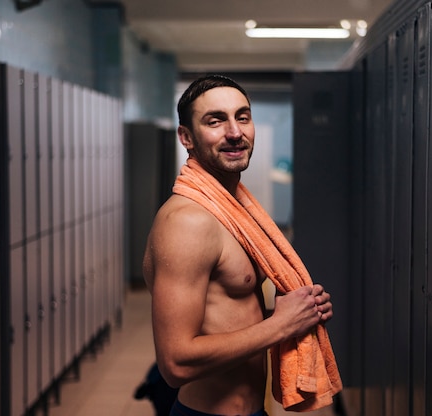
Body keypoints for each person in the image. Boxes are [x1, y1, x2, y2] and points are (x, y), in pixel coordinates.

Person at [142, 75, 335, 416]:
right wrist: (281, 326)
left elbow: (228, 314)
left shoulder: (233, 211)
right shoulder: (188, 222)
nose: (234, 132)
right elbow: (175, 363)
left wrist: (299, 314)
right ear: (186, 137)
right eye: (215, 121)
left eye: (242, 117)